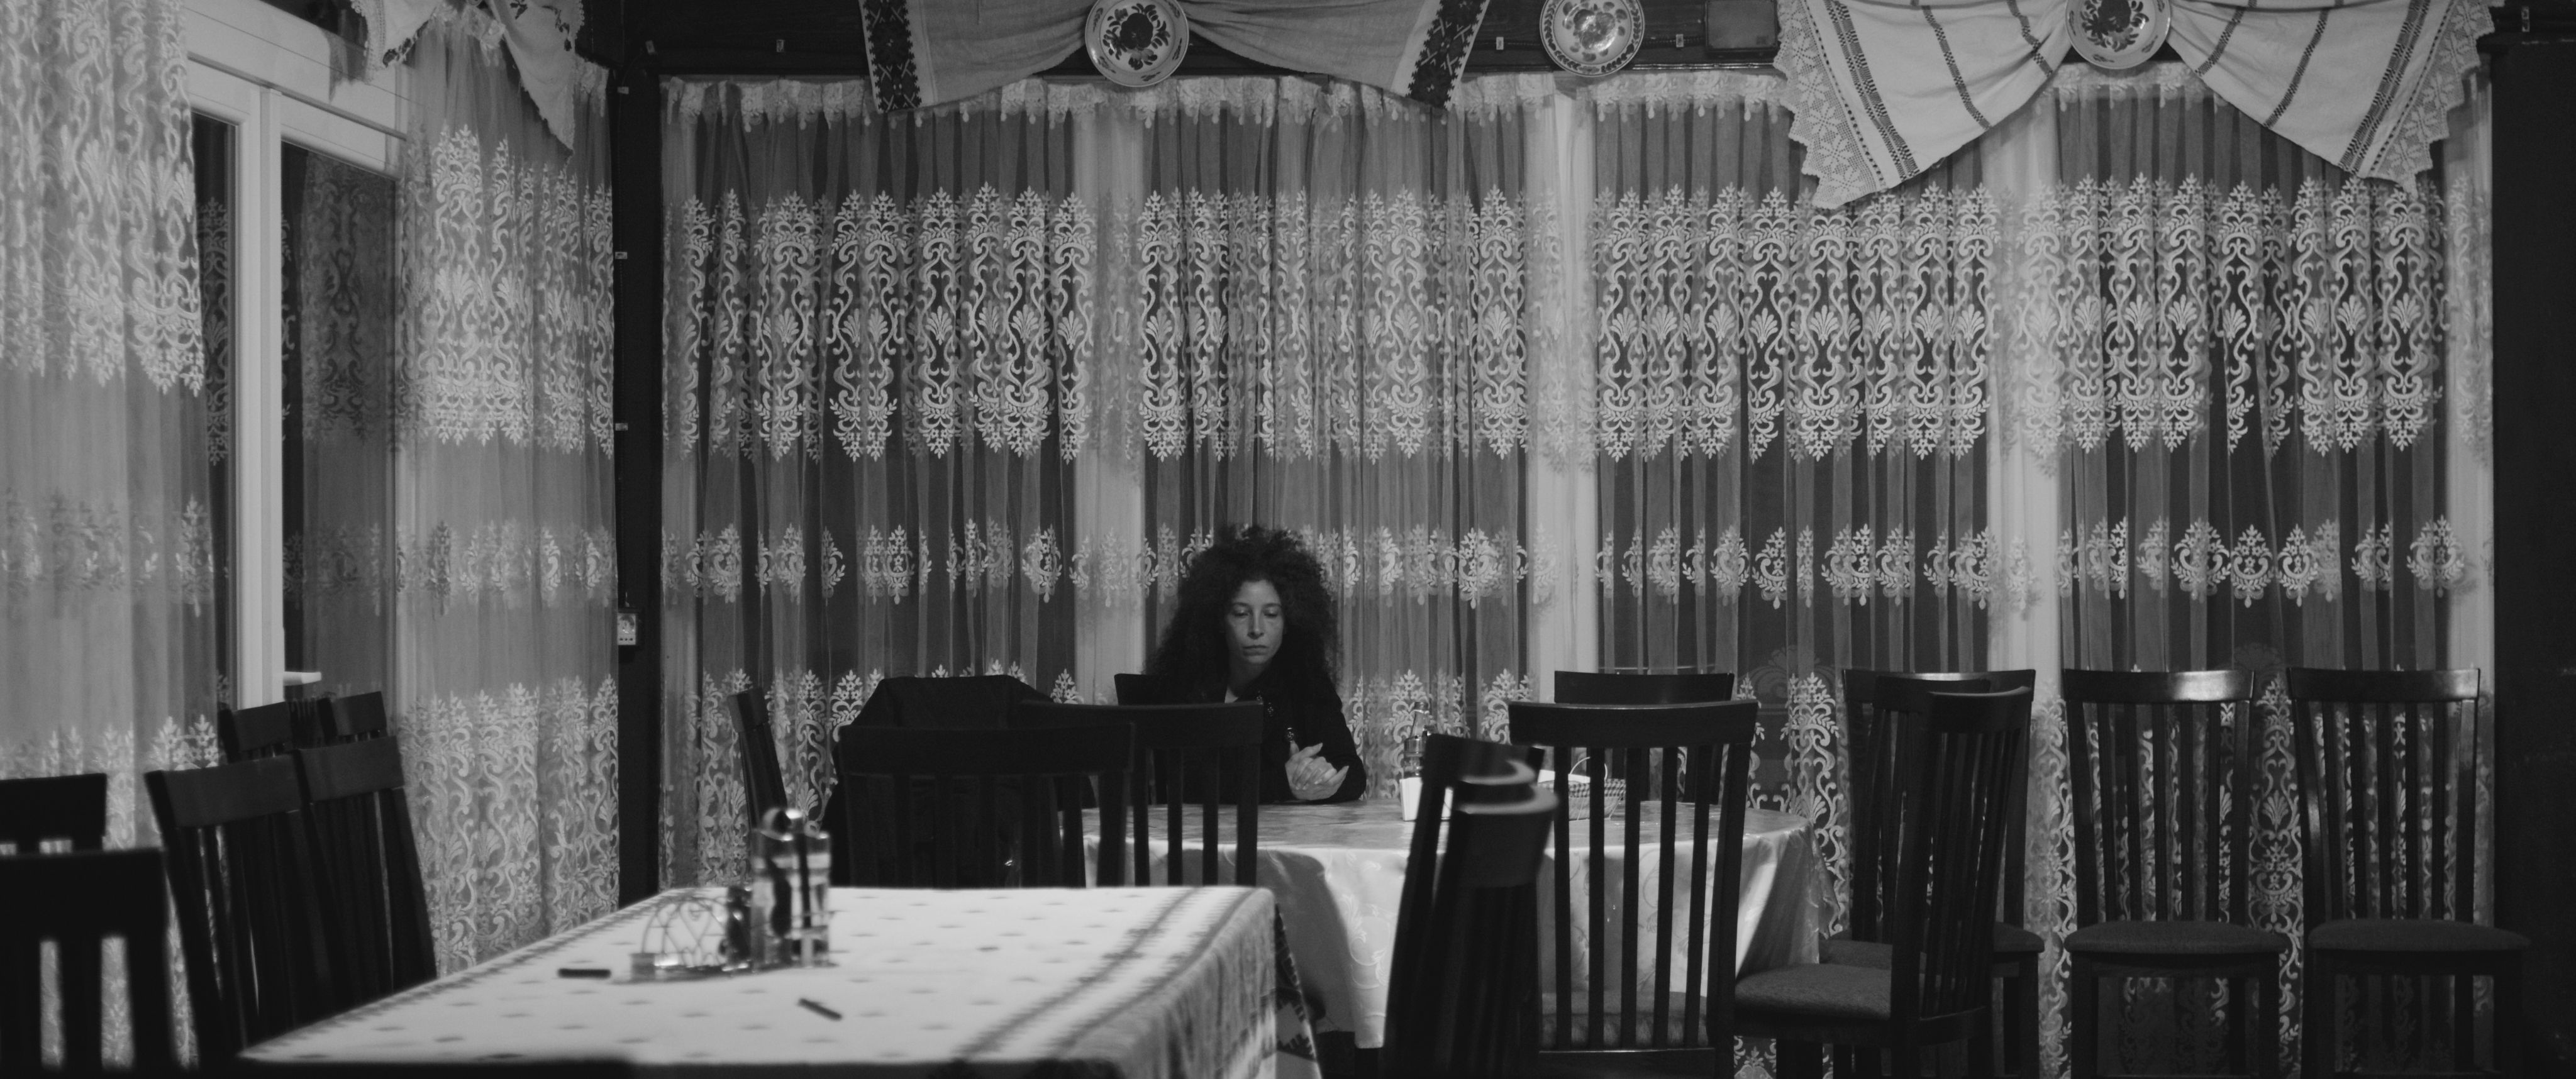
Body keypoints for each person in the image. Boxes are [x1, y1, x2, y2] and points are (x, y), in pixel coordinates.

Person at [1144, 524, 1367, 803]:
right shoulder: (1191, 684)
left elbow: (1352, 774)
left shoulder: (1306, 682)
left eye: (1271, 614)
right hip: (1208, 832)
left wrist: (1320, 777)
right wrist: (1283, 783)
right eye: (1241, 614)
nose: (1256, 629)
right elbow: (1188, 784)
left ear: (1290, 622)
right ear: (1219, 620)